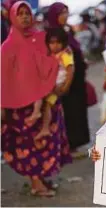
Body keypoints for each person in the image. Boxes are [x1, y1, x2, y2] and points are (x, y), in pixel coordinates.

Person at [1, 1, 72, 197]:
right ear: (12, 17)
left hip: (45, 100)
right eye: (20, 13)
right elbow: (5, 79)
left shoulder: (40, 39)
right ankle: (35, 183)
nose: (24, 17)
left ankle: (41, 179)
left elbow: (54, 60)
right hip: (21, 106)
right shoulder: (7, 47)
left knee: (47, 141)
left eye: (27, 13)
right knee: (28, 146)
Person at [47, 3, 91, 153]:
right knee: (68, 113)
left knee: (77, 111)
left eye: (66, 12)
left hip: (77, 81)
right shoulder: (53, 35)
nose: (65, 15)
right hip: (66, 82)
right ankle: (69, 145)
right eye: (61, 13)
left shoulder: (67, 31)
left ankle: (76, 144)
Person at [31, 28, 75, 140]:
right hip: (53, 83)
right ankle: (45, 127)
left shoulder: (65, 54)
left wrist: (66, 86)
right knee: (47, 105)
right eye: (52, 43)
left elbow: (70, 70)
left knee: (41, 96)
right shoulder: (52, 55)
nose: (55, 45)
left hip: (57, 83)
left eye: (58, 42)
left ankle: (37, 114)